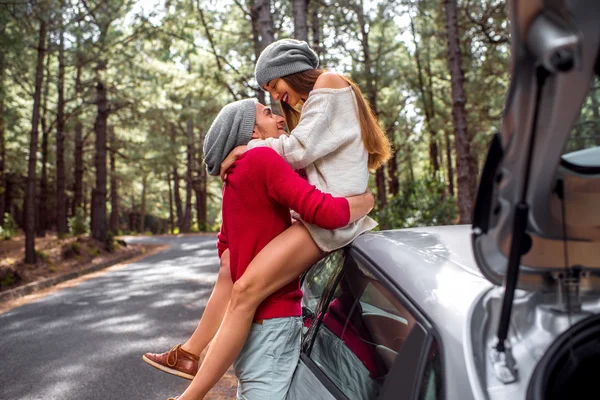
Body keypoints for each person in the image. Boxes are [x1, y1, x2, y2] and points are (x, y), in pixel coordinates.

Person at [175, 39, 391, 400]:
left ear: (288, 71)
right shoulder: (327, 95)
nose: (278, 97)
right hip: (325, 216)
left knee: (245, 291)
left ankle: (191, 387)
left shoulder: (329, 84)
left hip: (330, 219)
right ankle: (191, 360)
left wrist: (247, 149)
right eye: (270, 93)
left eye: (275, 86)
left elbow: (299, 150)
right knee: (239, 284)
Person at [142, 98, 375, 399]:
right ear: (251, 133)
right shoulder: (262, 161)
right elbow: (325, 212)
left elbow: (226, 252)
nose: (279, 117)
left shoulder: (235, 176)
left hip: (249, 327)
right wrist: (366, 201)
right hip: (274, 323)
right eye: (267, 113)